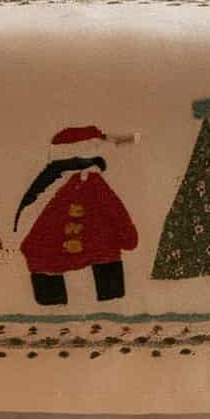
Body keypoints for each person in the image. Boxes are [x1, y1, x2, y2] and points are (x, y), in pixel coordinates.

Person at [14, 125, 139, 306]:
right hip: (97, 247)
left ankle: (54, 306)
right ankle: (110, 300)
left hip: (59, 252)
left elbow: (28, 215)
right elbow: (115, 209)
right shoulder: (89, 181)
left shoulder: (50, 184)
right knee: (107, 270)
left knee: (46, 268)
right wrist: (128, 237)